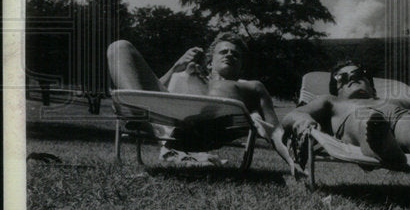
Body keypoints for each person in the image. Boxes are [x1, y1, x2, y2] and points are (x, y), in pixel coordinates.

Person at [107, 34, 299, 174]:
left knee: (214, 91)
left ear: (241, 66)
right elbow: (151, 90)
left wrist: (292, 160)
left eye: (236, 55)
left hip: (204, 129)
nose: (230, 55)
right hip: (166, 119)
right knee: (119, 47)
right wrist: (176, 67)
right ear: (210, 62)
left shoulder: (252, 87)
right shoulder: (187, 75)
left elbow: (274, 130)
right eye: (223, 52)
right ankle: (143, 116)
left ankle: (143, 118)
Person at [281, 58, 410, 169]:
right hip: (357, 120)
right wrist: (303, 122)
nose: (351, 78)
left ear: (370, 83)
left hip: (398, 116)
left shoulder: (398, 100)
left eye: (358, 75)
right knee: (369, 121)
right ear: (336, 87)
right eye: (342, 77)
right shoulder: (331, 101)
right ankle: (383, 146)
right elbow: (293, 115)